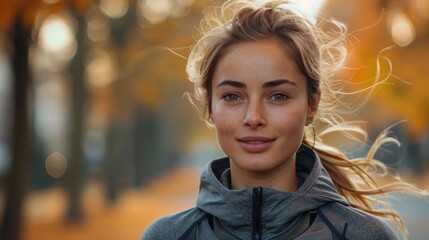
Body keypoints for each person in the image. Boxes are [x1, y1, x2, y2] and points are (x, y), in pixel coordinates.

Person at [142, 0, 426, 239]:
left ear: (312, 104)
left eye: (277, 96)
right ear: (209, 108)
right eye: (232, 96)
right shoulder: (167, 235)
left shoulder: (363, 235)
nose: (254, 117)